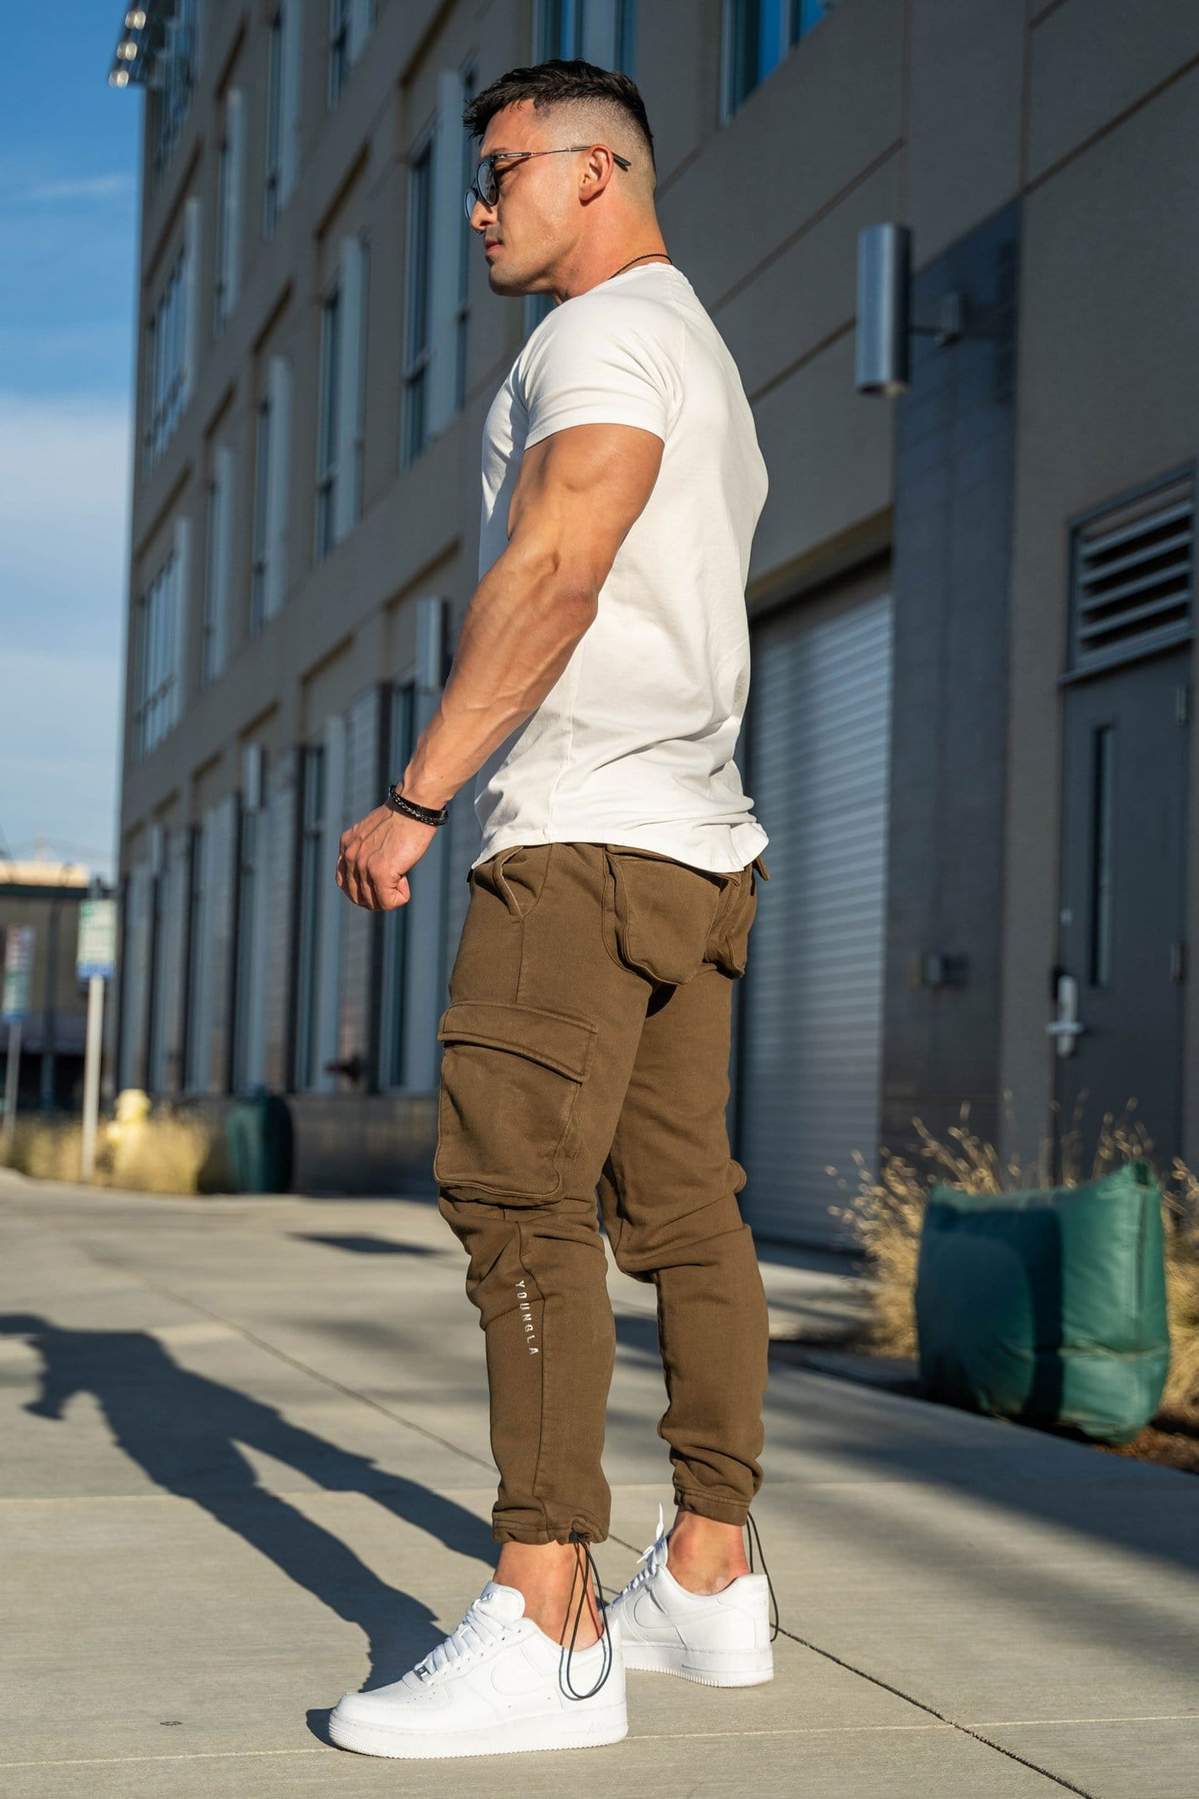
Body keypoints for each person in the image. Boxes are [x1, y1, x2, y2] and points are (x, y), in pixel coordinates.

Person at [330, 56, 777, 1762]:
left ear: (597, 171)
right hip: (696, 849)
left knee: (517, 1207)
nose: (477, 207)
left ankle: (546, 1620)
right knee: (688, 1218)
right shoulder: (697, 348)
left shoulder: (596, 336)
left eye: (502, 169)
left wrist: (419, 792)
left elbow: (557, 565)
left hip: (579, 845)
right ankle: (711, 1577)